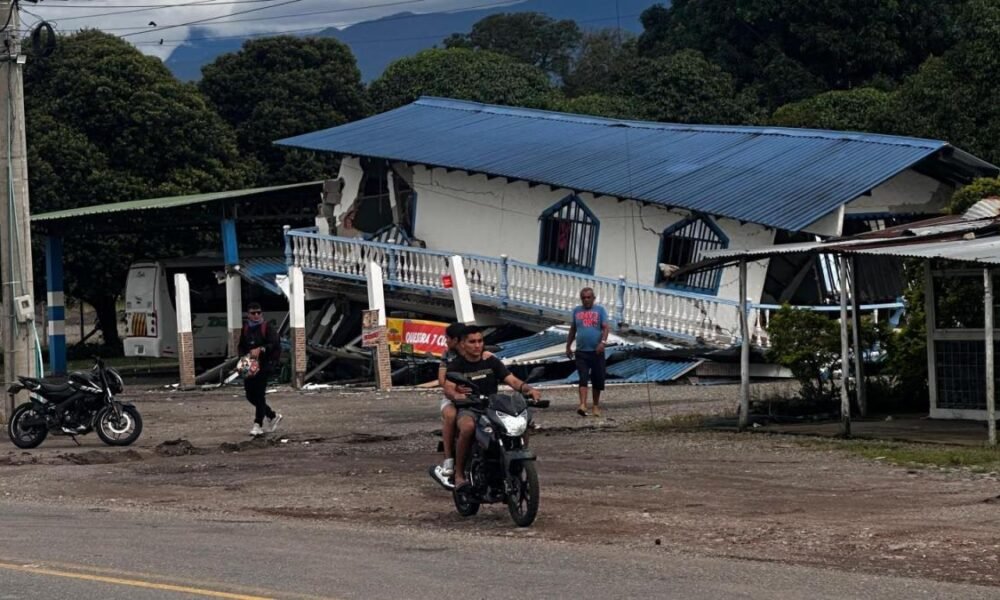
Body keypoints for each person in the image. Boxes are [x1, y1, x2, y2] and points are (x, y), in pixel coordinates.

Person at [443, 325, 541, 493]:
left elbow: (512, 380)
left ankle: (515, 464)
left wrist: (529, 389)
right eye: (472, 342)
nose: (477, 345)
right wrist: (456, 395)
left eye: (480, 341)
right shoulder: (456, 365)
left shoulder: (491, 361)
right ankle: (459, 474)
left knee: (522, 424)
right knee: (467, 427)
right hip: (470, 408)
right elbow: (448, 387)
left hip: (493, 406)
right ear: (463, 344)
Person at [430, 322, 494, 490]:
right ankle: (449, 460)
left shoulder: (482, 354)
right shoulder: (448, 356)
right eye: (472, 341)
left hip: (477, 398)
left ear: (456, 340)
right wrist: (455, 388)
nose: (446, 341)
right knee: (450, 415)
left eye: (447, 338)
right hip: (452, 398)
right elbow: (442, 381)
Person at [237, 302, 282, 436]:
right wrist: (243, 359)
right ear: (248, 314)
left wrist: (261, 349)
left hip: (264, 365)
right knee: (250, 395)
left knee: (259, 394)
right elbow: (241, 345)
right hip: (249, 366)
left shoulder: (267, 327)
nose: (256, 315)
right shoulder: (246, 328)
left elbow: (274, 344)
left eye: (259, 312)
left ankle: (258, 424)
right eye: (253, 313)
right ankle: (272, 415)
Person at [566, 287, 610, 417]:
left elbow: (606, 328)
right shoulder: (576, 311)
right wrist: (568, 346)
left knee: (597, 379)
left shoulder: (600, 310)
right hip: (581, 351)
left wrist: (603, 342)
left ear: (593, 298)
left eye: (588, 297)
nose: (586, 300)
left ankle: (595, 406)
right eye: (584, 298)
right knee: (583, 378)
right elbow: (573, 329)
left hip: (596, 351)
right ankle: (583, 405)